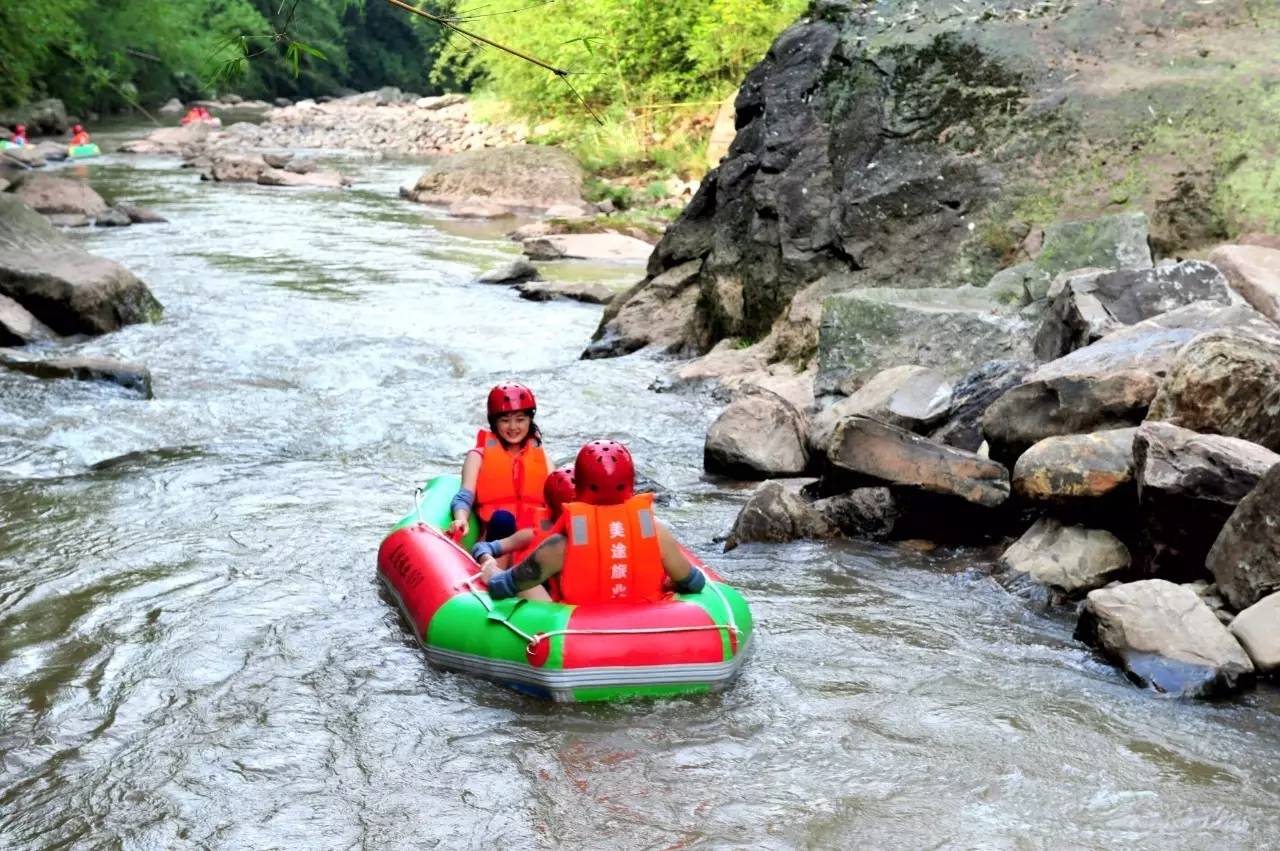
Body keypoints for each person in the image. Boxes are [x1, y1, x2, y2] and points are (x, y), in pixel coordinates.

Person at [481, 440, 707, 602]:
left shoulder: (559, 546)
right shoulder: (657, 533)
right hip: (648, 626)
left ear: (577, 489)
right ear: (631, 485)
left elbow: (503, 587)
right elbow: (694, 583)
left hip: (576, 636)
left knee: (526, 588)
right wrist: (668, 585)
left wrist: (490, 570)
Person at [449, 382, 549, 545]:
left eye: (520, 420)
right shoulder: (477, 457)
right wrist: (461, 519)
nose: (513, 427)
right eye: (505, 420)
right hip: (495, 539)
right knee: (503, 519)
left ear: (530, 420)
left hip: (531, 538)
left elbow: (556, 500)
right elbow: (464, 497)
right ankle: (496, 567)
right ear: (494, 422)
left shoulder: (541, 456)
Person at [470, 464, 574, 602]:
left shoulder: (598, 543)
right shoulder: (533, 536)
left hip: (573, 611)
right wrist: (488, 562)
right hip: (548, 606)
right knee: (526, 584)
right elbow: (482, 547)